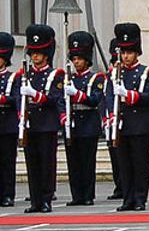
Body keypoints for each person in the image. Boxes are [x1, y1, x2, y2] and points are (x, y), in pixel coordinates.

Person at [109, 24, 149, 211]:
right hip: (122, 123)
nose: (126, 56)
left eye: (129, 52)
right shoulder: (116, 72)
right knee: (124, 162)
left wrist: (129, 95)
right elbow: (108, 96)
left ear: (137, 53)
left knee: (139, 162)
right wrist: (111, 116)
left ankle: (139, 197)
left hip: (140, 123)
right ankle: (127, 197)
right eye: (123, 53)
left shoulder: (148, 71)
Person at [18, 25, 60, 213]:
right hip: (30, 123)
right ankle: (35, 200)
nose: (35, 56)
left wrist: (34, 94)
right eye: (33, 52)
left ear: (46, 53)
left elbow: (54, 99)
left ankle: (45, 199)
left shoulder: (56, 75)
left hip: (46, 123)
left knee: (46, 163)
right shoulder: (25, 75)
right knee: (32, 163)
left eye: (39, 53)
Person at [63, 31, 105, 207]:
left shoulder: (96, 78)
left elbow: (94, 99)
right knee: (73, 162)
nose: (76, 62)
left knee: (87, 162)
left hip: (88, 123)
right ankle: (76, 195)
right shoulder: (67, 78)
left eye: (80, 58)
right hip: (72, 124)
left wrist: (76, 94)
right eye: (74, 58)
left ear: (87, 59)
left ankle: (88, 195)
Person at [0, 33, 17, 207]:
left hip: (7, 124)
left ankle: (7, 194)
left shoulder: (13, 77)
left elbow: (17, 98)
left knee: (7, 161)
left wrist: (3, 99)